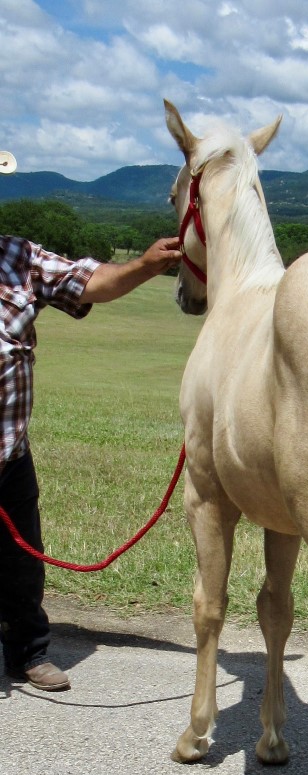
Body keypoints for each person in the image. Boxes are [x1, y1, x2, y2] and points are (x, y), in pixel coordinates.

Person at [0, 149, 182, 691]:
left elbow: (88, 281)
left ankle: (28, 653)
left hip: (9, 453)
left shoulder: (17, 258)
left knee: (20, 566)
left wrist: (146, 266)